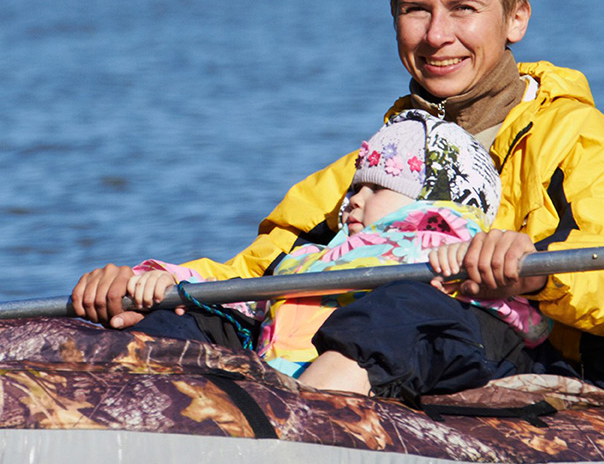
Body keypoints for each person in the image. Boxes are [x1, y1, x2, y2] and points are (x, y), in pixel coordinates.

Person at [72, 0, 604, 390]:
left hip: (536, 353)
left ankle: (301, 427)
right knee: (190, 319)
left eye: (463, 9)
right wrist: (156, 285)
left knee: (399, 309)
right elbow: (261, 274)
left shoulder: (583, 140)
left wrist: (534, 273)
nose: (438, 35)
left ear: (515, 18)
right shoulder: (373, 164)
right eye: (416, 10)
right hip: (369, 340)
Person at [125, 110, 552, 387]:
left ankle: (309, 412)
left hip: (375, 365)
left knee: (400, 307)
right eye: (356, 187)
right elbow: (244, 290)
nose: (354, 200)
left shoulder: (452, 245)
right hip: (280, 367)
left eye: (379, 187)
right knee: (185, 314)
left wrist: (485, 273)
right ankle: (132, 381)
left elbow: (528, 325)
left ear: (431, 201)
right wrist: (169, 282)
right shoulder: (317, 255)